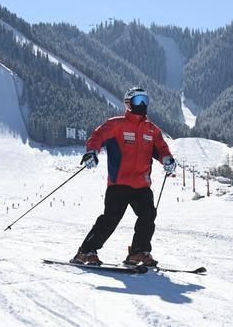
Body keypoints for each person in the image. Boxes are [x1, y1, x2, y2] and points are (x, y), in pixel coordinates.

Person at [72, 87, 176, 266]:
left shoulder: (151, 130)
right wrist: (92, 152)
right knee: (110, 218)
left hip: (141, 184)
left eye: (145, 100)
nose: (142, 104)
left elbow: (161, 149)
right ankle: (86, 251)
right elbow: (97, 137)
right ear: (128, 104)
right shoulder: (116, 124)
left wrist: (167, 159)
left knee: (148, 215)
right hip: (119, 182)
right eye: (138, 100)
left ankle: (138, 252)